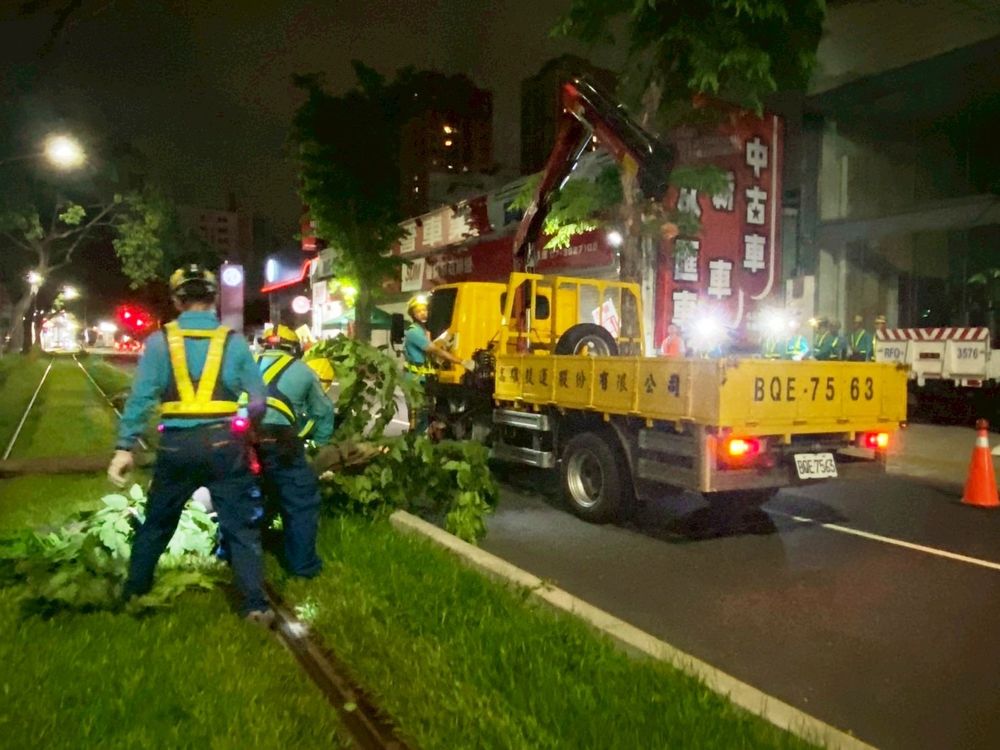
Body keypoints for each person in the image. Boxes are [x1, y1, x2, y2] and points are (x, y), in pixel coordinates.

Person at [107, 264, 271, 622]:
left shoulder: (159, 342)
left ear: (177, 300)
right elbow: (259, 400)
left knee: (158, 523)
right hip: (226, 444)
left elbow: (140, 399)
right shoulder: (233, 342)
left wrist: (124, 448)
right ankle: (255, 606)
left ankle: (134, 594)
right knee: (240, 527)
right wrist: (245, 425)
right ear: (214, 299)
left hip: (176, 446)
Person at [253, 324, 334, 578]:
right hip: (281, 442)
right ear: (294, 349)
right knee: (300, 501)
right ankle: (302, 566)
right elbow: (323, 413)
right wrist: (317, 446)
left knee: (239, 495)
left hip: (241, 440)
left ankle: (228, 553)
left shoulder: (246, 364)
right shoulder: (304, 371)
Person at [402, 295, 471, 432]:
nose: (423, 313)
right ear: (413, 314)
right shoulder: (413, 332)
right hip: (414, 381)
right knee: (418, 417)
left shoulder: (424, 332)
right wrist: (461, 361)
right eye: (418, 311)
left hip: (425, 380)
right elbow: (434, 350)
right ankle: (413, 442)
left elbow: (433, 354)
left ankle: (420, 440)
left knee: (427, 415)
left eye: (425, 310)